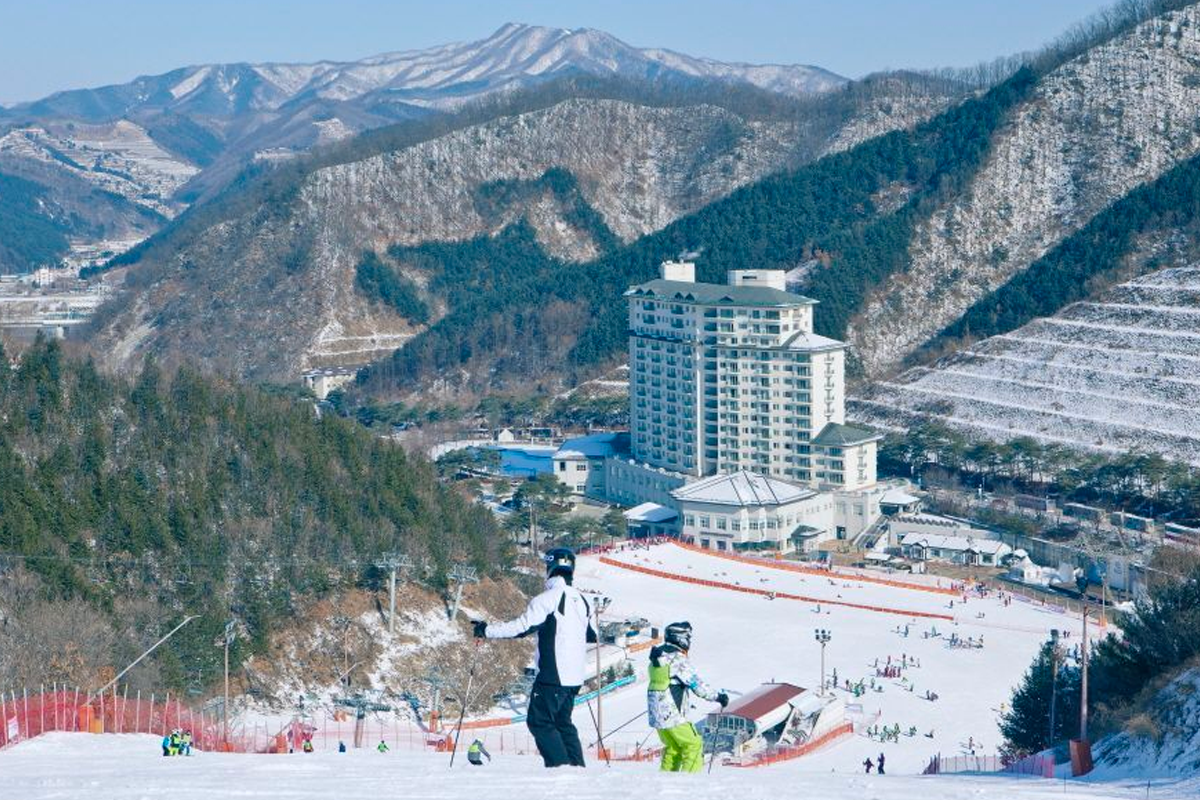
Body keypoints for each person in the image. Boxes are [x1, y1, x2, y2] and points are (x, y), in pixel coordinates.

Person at [474, 547, 597, 768]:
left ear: (549, 569)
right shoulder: (584, 601)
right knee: (562, 722)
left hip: (553, 674)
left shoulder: (547, 599)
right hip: (576, 676)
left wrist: (486, 630)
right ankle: (577, 769)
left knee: (539, 721)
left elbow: (521, 627)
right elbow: (593, 635)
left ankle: (561, 769)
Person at [647, 621, 729, 773]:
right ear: (681, 638)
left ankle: (666, 781)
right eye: (688, 638)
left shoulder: (659, 656)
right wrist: (717, 697)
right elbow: (695, 684)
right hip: (673, 713)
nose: (689, 642)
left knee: (674, 747)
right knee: (694, 744)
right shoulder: (677, 658)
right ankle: (691, 783)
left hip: (658, 713)